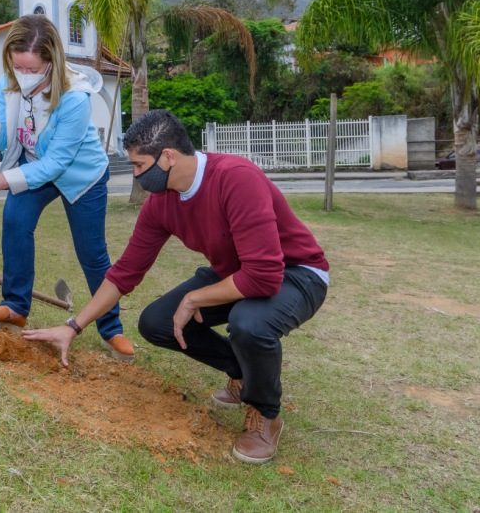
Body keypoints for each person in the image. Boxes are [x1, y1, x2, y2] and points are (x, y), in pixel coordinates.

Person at [23, 109, 330, 464]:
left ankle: (266, 412)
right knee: (156, 323)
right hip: (237, 273)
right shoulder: (161, 204)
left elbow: (264, 275)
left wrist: (194, 298)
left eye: (139, 165)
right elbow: (124, 273)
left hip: (297, 274)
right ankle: (243, 372)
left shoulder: (236, 178)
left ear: (168, 156)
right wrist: (73, 326)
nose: (136, 175)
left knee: (248, 324)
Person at [0, 14, 134, 361]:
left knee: (92, 253)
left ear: (52, 61)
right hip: (33, 167)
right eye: (17, 66)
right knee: (15, 221)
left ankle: (111, 328)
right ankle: (15, 307)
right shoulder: (8, 83)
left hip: (80, 176)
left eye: (32, 69)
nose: (23, 75)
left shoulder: (75, 98)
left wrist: (2, 180)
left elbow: (57, 163)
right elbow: (7, 138)